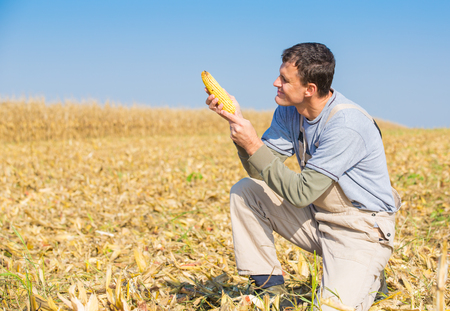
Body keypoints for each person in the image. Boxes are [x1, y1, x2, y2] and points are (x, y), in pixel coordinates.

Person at [205, 42, 401, 311]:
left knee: (330, 307)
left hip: (361, 229)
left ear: (310, 89)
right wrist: (236, 123)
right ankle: (269, 290)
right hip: (319, 216)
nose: (276, 82)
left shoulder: (347, 125)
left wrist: (253, 144)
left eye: (284, 80)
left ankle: (368, 271)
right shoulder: (289, 111)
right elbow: (257, 169)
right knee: (246, 190)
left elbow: (301, 193)